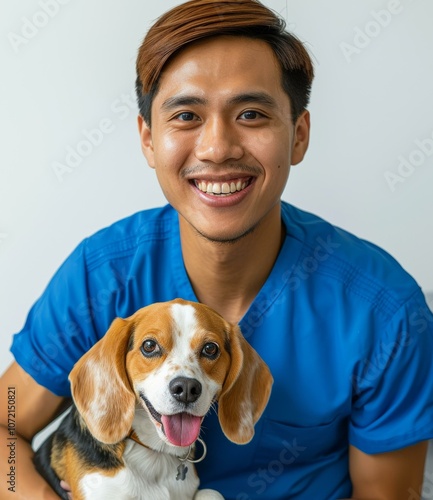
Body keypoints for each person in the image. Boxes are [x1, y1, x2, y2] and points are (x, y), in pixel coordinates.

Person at [1, 0, 433, 498]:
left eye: (250, 113)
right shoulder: (100, 275)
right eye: (186, 115)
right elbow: (4, 425)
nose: (216, 147)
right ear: (147, 139)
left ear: (298, 135)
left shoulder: (385, 310)